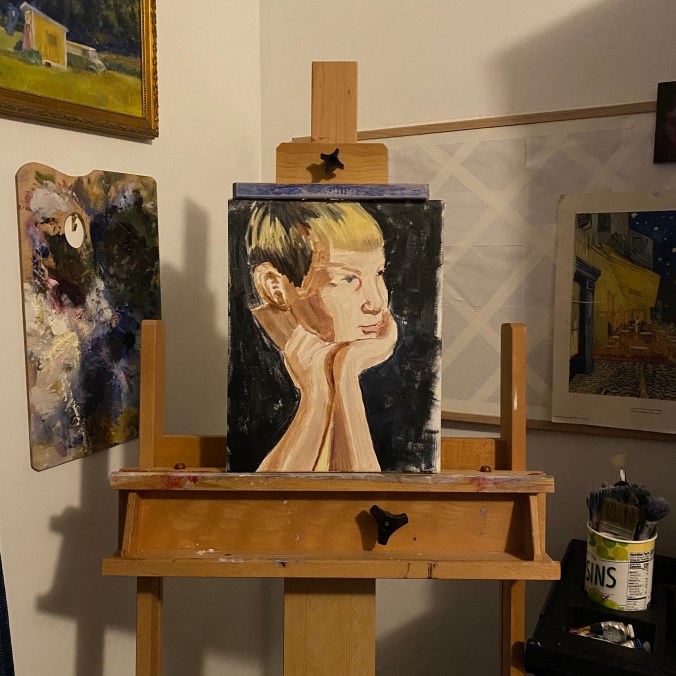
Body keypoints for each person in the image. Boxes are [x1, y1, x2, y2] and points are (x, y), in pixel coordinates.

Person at [228, 199, 441, 473]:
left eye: (378, 273)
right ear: (275, 286)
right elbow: (270, 492)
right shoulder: (241, 362)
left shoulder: (417, 363)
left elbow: (363, 490)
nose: (376, 303)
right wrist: (316, 394)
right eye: (348, 279)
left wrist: (346, 369)